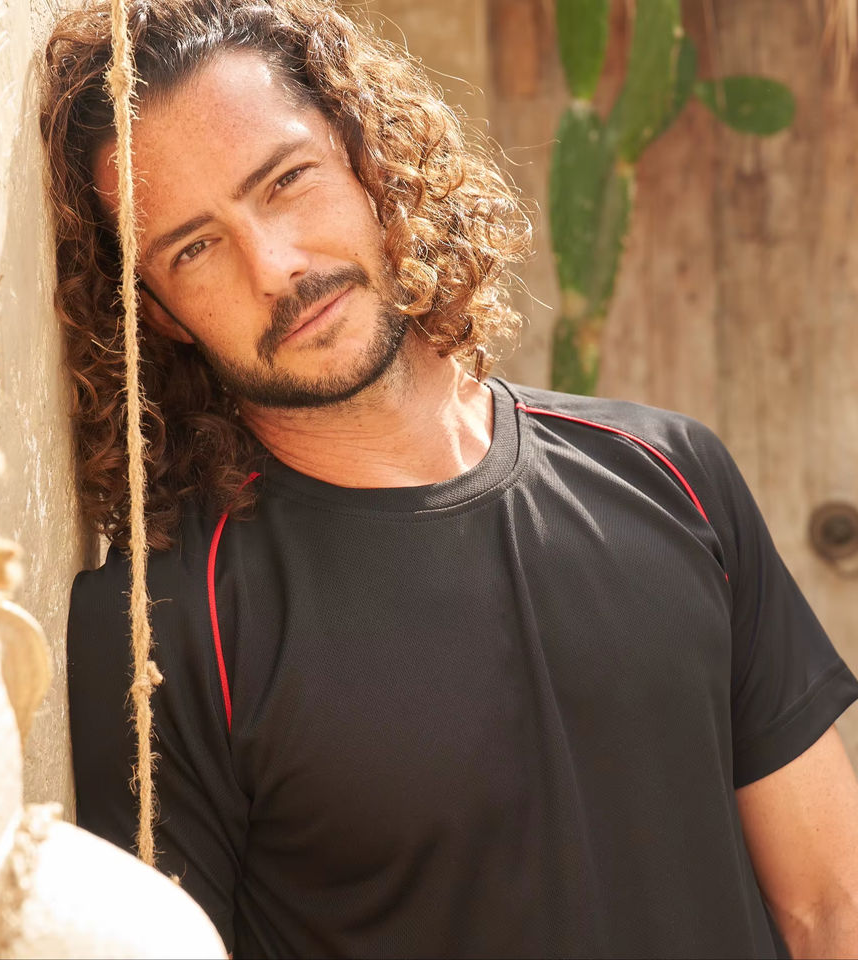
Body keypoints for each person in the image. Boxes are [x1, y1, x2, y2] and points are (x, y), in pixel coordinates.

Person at [41, 1, 858, 956]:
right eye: (195, 246)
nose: (275, 267)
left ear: (368, 156)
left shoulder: (671, 471)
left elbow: (830, 907)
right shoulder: (162, 632)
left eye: (287, 180)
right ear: (158, 313)